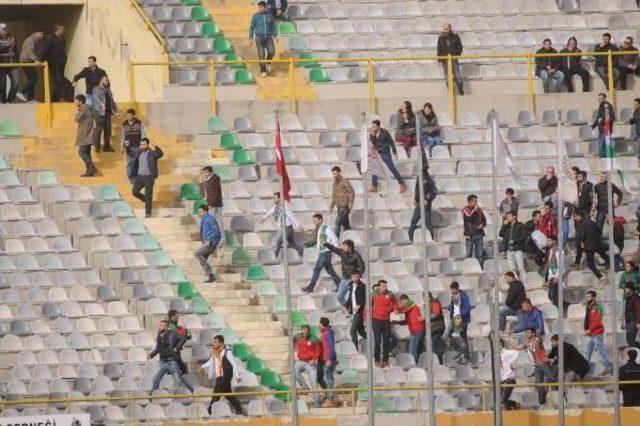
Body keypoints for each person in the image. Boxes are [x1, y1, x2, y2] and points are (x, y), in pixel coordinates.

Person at [147, 320, 193, 395]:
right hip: (163, 362)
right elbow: (158, 348)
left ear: (166, 327)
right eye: (160, 325)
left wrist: (177, 348)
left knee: (179, 380)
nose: (160, 327)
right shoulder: (159, 335)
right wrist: (151, 355)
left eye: (162, 325)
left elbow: (184, 337)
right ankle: (152, 395)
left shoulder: (173, 334)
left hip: (172, 361)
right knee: (156, 378)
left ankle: (192, 392)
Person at [202, 334, 243, 415]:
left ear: (221, 343)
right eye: (214, 342)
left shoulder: (227, 352)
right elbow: (211, 361)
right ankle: (239, 410)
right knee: (229, 395)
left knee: (216, 396)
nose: (214, 344)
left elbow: (234, 364)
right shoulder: (216, 352)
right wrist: (203, 366)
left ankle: (209, 412)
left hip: (224, 377)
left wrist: (237, 376)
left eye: (216, 342)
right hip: (219, 377)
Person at [301, 213, 341, 293]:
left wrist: (337, 249)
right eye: (313, 221)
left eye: (315, 220)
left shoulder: (326, 228)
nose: (314, 222)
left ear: (320, 220)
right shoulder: (319, 229)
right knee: (330, 271)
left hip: (325, 252)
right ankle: (339, 284)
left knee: (316, 270)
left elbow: (334, 238)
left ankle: (310, 287)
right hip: (323, 252)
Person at [516, 327, 555, 405]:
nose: (527, 334)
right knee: (538, 383)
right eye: (526, 332)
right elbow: (517, 347)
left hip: (543, 363)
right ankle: (542, 402)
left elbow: (538, 342)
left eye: (528, 332)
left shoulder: (537, 339)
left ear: (533, 333)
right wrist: (507, 341)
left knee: (552, 378)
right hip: (537, 365)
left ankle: (549, 391)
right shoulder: (527, 342)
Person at [369, 119, 407, 194]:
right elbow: (372, 144)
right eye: (372, 126)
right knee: (375, 168)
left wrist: (394, 152)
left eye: (375, 126)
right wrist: (372, 136)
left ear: (379, 126)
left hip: (385, 153)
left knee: (392, 168)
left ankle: (402, 184)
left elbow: (391, 142)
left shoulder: (385, 133)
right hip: (377, 153)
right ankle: (374, 186)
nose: (373, 128)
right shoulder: (372, 133)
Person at [261, 191, 304, 258]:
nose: (274, 199)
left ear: (280, 198)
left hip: (287, 228)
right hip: (283, 228)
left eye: (275, 198)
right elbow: (270, 212)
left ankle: (274, 257)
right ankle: (302, 251)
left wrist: (298, 225)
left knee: (279, 241)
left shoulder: (284, 207)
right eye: (273, 198)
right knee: (293, 244)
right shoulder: (275, 208)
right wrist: (264, 218)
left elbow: (291, 216)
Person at [324, 239, 365, 305]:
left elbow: (362, 266)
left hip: (353, 280)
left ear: (350, 247)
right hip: (345, 279)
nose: (343, 247)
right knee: (339, 297)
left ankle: (356, 311)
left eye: (344, 246)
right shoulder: (342, 252)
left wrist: (358, 276)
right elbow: (334, 249)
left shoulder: (356, 255)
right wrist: (326, 243)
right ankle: (347, 308)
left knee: (356, 298)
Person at [131, 138, 164, 218]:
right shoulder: (138, 153)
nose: (142, 146)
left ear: (148, 144)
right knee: (135, 192)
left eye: (144, 144)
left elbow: (160, 154)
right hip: (139, 177)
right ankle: (146, 200)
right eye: (141, 144)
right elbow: (131, 155)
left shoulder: (152, 153)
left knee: (148, 195)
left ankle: (148, 213)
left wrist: (156, 146)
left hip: (149, 177)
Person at [575, 210, 610, 283]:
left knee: (590, 264)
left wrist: (581, 240)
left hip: (589, 246)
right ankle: (612, 266)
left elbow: (583, 235)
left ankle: (601, 277)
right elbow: (599, 232)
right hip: (597, 244)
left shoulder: (580, 224)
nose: (575, 218)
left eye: (576, 216)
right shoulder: (593, 222)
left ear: (579, 216)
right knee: (604, 256)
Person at [585, 290, 613, 374]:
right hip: (592, 333)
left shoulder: (597, 307)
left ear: (594, 298)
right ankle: (586, 367)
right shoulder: (589, 306)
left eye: (589, 297)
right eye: (587, 297)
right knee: (588, 351)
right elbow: (588, 320)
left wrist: (590, 329)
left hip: (597, 333)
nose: (587, 298)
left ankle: (608, 367)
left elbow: (597, 321)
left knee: (601, 351)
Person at [293, 324, 321, 406]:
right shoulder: (297, 337)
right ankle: (305, 387)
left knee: (314, 383)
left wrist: (314, 359)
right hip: (301, 361)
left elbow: (318, 350)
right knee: (294, 372)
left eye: (306, 330)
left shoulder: (314, 339)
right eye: (303, 329)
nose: (304, 331)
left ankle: (317, 403)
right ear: (301, 330)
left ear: (308, 330)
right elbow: (292, 342)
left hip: (310, 363)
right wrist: (295, 352)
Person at [371, 280, 397, 368]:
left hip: (386, 320)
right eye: (383, 286)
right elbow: (368, 305)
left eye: (385, 286)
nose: (384, 288)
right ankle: (377, 360)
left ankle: (385, 360)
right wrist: (366, 317)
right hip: (376, 320)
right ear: (379, 287)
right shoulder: (374, 294)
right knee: (377, 341)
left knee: (386, 341)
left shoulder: (390, 294)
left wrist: (395, 309)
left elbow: (395, 303)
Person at [395, 294, 427, 364]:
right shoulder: (409, 309)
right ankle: (419, 362)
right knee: (418, 347)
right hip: (416, 329)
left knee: (412, 347)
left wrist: (395, 310)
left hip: (417, 329)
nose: (402, 304)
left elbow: (403, 309)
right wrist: (397, 322)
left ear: (404, 300)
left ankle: (413, 363)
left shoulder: (410, 303)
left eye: (402, 302)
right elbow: (407, 321)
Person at [408, 164, 436, 242]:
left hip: (426, 205)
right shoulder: (418, 178)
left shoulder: (429, 179)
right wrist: (415, 199)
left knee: (428, 223)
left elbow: (433, 192)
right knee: (414, 221)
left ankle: (432, 238)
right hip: (419, 204)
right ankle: (409, 238)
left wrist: (427, 199)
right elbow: (417, 189)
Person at [249, 1, 277, 77]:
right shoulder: (255, 16)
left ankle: (268, 63)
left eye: (261, 7)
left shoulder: (270, 16)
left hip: (268, 37)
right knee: (261, 55)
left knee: (272, 52)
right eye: (259, 7)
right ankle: (263, 71)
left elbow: (273, 27)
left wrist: (275, 36)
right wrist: (251, 38)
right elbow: (251, 27)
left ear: (265, 7)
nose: (260, 8)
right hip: (259, 38)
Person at [446, 282, 471, 363]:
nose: (452, 292)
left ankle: (466, 356)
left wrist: (459, 315)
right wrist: (449, 307)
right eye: (451, 290)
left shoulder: (463, 296)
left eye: (453, 290)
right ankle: (461, 351)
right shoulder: (454, 296)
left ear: (457, 288)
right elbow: (454, 306)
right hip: (456, 320)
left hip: (462, 320)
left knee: (462, 338)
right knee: (450, 335)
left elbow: (467, 308)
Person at [195, 204, 221, 283]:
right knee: (202, 259)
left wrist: (210, 240)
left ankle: (209, 270)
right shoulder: (204, 219)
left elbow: (216, 230)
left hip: (211, 243)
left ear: (205, 211)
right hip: (206, 243)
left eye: (201, 211)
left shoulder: (210, 219)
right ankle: (211, 276)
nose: (199, 213)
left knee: (197, 254)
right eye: (199, 212)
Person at [91, 75, 118, 152]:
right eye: (105, 80)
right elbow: (96, 99)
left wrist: (116, 110)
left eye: (107, 80)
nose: (107, 81)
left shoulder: (108, 90)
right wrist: (101, 105)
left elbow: (112, 101)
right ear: (101, 81)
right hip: (99, 113)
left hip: (108, 113)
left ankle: (107, 147)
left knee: (108, 131)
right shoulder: (96, 89)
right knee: (98, 130)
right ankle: (97, 147)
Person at [499, 211, 527, 283]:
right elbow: (501, 234)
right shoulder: (507, 226)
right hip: (509, 250)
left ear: (514, 217)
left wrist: (515, 241)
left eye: (509, 216)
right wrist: (504, 225)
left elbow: (524, 236)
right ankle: (516, 282)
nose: (507, 218)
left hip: (518, 249)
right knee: (512, 269)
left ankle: (523, 283)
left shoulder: (520, 225)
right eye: (507, 217)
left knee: (521, 268)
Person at [17, 28, 44, 102]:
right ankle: (22, 92)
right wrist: (35, 60)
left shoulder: (32, 40)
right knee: (34, 78)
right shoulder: (31, 39)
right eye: (41, 33)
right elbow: (29, 51)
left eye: (43, 34)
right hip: (26, 61)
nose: (42, 35)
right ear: (36, 33)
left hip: (27, 61)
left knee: (32, 79)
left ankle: (30, 98)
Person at [436, 23, 464, 95]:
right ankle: (452, 94)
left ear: (450, 29)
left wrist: (455, 54)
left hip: (454, 60)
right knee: (448, 79)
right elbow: (439, 49)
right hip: (445, 61)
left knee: (458, 78)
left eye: (447, 29)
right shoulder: (440, 38)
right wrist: (440, 59)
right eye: (444, 29)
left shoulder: (455, 37)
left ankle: (461, 92)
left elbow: (460, 47)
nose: (445, 31)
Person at [42, 23, 67, 102]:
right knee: (58, 81)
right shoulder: (50, 38)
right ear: (58, 29)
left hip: (61, 64)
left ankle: (55, 99)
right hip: (53, 64)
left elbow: (63, 51)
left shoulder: (63, 39)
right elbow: (45, 50)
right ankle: (59, 98)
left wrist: (64, 60)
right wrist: (45, 61)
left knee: (59, 82)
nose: (64, 30)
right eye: (62, 29)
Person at [121, 109, 146, 184]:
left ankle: (136, 179)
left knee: (137, 163)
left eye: (130, 115)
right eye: (127, 115)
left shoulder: (139, 123)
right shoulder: (124, 124)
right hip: (128, 147)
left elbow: (143, 134)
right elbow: (123, 136)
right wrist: (122, 147)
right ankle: (130, 179)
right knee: (129, 163)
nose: (129, 116)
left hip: (137, 146)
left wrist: (143, 145)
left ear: (134, 116)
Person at [201, 166, 224, 244]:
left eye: (206, 172)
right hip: (212, 203)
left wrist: (211, 204)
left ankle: (221, 239)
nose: (205, 174)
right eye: (204, 172)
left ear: (211, 172)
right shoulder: (208, 180)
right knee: (214, 222)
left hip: (215, 204)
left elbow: (215, 193)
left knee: (217, 221)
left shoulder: (213, 180)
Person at [317, 317, 337, 408]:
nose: (318, 325)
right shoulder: (323, 333)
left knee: (329, 379)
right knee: (319, 377)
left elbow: (331, 347)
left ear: (322, 324)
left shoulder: (328, 333)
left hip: (327, 360)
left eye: (319, 323)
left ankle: (330, 399)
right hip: (321, 360)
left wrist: (329, 359)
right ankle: (326, 392)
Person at [329, 166, 354, 238]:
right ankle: (350, 240)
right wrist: (331, 206)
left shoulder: (344, 181)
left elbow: (351, 191)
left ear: (339, 173)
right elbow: (334, 196)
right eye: (333, 174)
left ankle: (335, 241)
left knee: (337, 222)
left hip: (345, 206)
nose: (333, 175)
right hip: (339, 207)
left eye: (335, 173)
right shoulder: (335, 183)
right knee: (346, 226)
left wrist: (350, 203)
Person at [74, 95, 95, 178]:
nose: (75, 102)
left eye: (76, 100)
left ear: (80, 101)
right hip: (88, 134)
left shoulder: (84, 109)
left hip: (85, 135)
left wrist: (78, 111)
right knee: (87, 153)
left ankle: (91, 168)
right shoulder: (87, 108)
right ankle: (89, 171)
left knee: (81, 152)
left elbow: (77, 118)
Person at [462, 194, 486, 265]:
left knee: (480, 255)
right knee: (468, 254)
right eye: (474, 201)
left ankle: (480, 268)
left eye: (476, 201)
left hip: (479, 234)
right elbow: (469, 218)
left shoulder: (479, 210)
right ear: (469, 202)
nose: (475, 203)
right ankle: (468, 268)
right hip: (470, 235)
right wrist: (474, 210)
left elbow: (484, 220)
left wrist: (482, 225)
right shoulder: (465, 210)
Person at [344, 272, 366, 350]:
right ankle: (373, 341)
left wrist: (359, 305)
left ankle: (355, 348)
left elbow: (365, 299)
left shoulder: (362, 286)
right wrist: (346, 305)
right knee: (361, 331)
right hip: (354, 311)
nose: (355, 279)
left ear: (359, 277)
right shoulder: (351, 285)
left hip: (360, 312)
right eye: (353, 277)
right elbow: (351, 297)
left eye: (356, 277)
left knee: (353, 330)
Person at [592, 92, 616, 158]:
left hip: (606, 130)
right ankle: (604, 159)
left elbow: (612, 117)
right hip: (601, 130)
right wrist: (593, 126)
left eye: (601, 99)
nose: (599, 100)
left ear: (604, 98)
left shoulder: (608, 106)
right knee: (602, 146)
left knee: (601, 146)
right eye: (598, 99)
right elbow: (598, 118)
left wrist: (602, 120)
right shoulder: (600, 106)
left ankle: (604, 159)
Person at [0, 23, 19, 104]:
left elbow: (16, 50)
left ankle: (10, 99)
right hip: (1, 65)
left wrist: (17, 62)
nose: (5, 31)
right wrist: (6, 45)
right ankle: (3, 101)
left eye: (5, 29)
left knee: (16, 82)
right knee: (2, 84)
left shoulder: (11, 38)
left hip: (12, 64)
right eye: (3, 29)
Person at [167, 309, 191, 374]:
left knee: (175, 369)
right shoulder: (170, 326)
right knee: (182, 369)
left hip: (173, 352)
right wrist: (185, 333)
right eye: (177, 317)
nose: (178, 318)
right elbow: (181, 336)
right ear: (172, 317)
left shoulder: (174, 326)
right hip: (173, 352)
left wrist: (186, 333)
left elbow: (185, 336)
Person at [499, 339, 520, 410]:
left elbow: (517, 353)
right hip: (503, 379)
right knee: (499, 400)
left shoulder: (506, 352)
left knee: (503, 400)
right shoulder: (499, 355)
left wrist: (511, 362)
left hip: (509, 379)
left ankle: (514, 404)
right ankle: (512, 407)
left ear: (500, 345)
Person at [542, 236, 561, 307]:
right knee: (551, 296)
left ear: (554, 241)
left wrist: (557, 276)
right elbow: (550, 266)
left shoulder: (558, 251)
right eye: (547, 241)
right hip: (551, 276)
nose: (548, 242)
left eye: (549, 241)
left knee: (553, 295)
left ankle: (558, 311)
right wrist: (548, 279)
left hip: (556, 276)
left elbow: (560, 264)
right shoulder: (550, 250)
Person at [623, 283, 640, 348]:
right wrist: (625, 322)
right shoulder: (628, 297)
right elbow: (627, 310)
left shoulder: (636, 298)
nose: (625, 289)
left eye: (627, 288)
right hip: (629, 321)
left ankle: (636, 355)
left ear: (631, 289)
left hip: (634, 321)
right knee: (629, 339)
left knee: (631, 340)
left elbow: (639, 310)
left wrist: (638, 322)